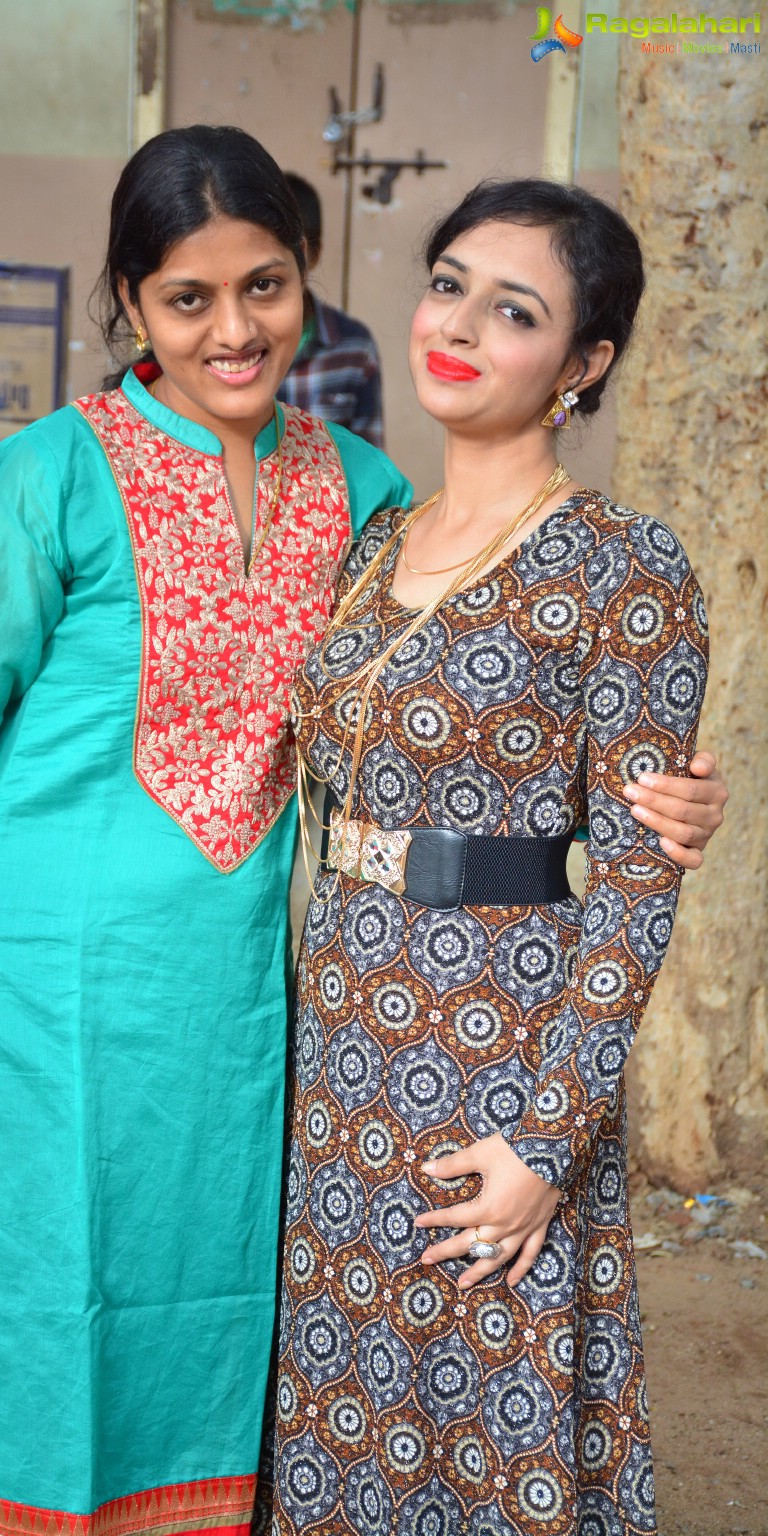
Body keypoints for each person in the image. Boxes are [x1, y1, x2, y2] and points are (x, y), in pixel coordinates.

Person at [0, 132, 724, 1536]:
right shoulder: (54, 476)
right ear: (132, 305)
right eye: (185, 300)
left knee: (215, 1375)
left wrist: (658, 804)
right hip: (36, 1021)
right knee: (36, 1365)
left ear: (309, 283)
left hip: (240, 1038)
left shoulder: (363, 496)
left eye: (263, 286)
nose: (232, 331)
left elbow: (474, 710)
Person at [266, 179, 711, 1536]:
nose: (457, 324)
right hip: (340, 1041)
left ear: (584, 365)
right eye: (449, 282)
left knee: (480, 1380)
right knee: (345, 1391)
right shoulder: (377, 537)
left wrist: (544, 1137)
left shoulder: (627, 567)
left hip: (498, 1044)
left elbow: (639, 879)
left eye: (513, 310)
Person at [276, 172, 386, 448]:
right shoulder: (231, 343)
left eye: (289, 253)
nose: (276, 272)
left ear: (313, 252)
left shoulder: (353, 347)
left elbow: (370, 461)